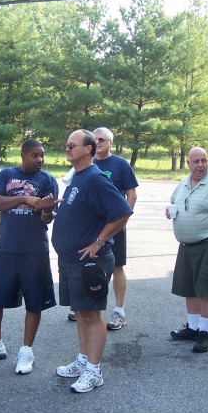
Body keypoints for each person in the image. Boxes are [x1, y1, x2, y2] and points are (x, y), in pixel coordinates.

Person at [52, 129, 133, 393]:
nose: (67, 148)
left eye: (72, 145)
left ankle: (94, 371)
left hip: (89, 262)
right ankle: (83, 360)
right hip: (70, 258)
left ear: (87, 149)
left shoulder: (95, 178)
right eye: (66, 145)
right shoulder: (78, 176)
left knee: (92, 314)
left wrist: (98, 241)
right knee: (81, 312)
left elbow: (122, 211)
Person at [0, 139, 59, 375]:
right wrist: (23, 198)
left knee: (34, 302)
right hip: (6, 248)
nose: (40, 160)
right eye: (35, 155)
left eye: (42, 155)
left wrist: (46, 209)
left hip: (35, 250)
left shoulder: (48, 180)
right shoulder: (7, 175)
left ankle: (26, 351)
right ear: (23, 155)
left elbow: (47, 220)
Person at [65, 127, 138, 330]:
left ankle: (119, 311)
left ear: (110, 143)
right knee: (89, 266)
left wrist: (122, 222)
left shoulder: (120, 164)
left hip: (112, 226)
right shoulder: (86, 164)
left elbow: (131, 194)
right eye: (96, 140)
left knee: (116, 266)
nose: (99, 143)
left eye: (102, 140)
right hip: (91, 229)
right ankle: (83, 305)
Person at [166, 147, 208, 353]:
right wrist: (170, 212)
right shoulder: (183, 184)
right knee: (189, 289)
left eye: (204, 160)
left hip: (207, 246)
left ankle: (205, 335)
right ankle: (193, 328)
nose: (200, 165)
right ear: (188, 164)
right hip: (186, 247)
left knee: (206, 292)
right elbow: (174, 203)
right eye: (196, 161)